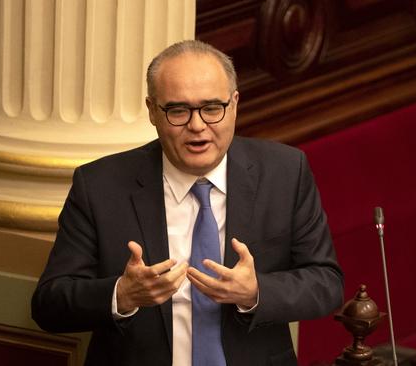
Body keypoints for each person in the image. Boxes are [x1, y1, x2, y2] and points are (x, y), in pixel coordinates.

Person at [31, 40, 343, 366]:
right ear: (152, 111)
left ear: (234, 104)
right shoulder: (99, 185)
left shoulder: (285, 173)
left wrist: (256, 291)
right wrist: (122, 294)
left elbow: (326, 283)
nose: (197, 126)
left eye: (212, 108)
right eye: (178, 110)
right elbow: (49, 305)